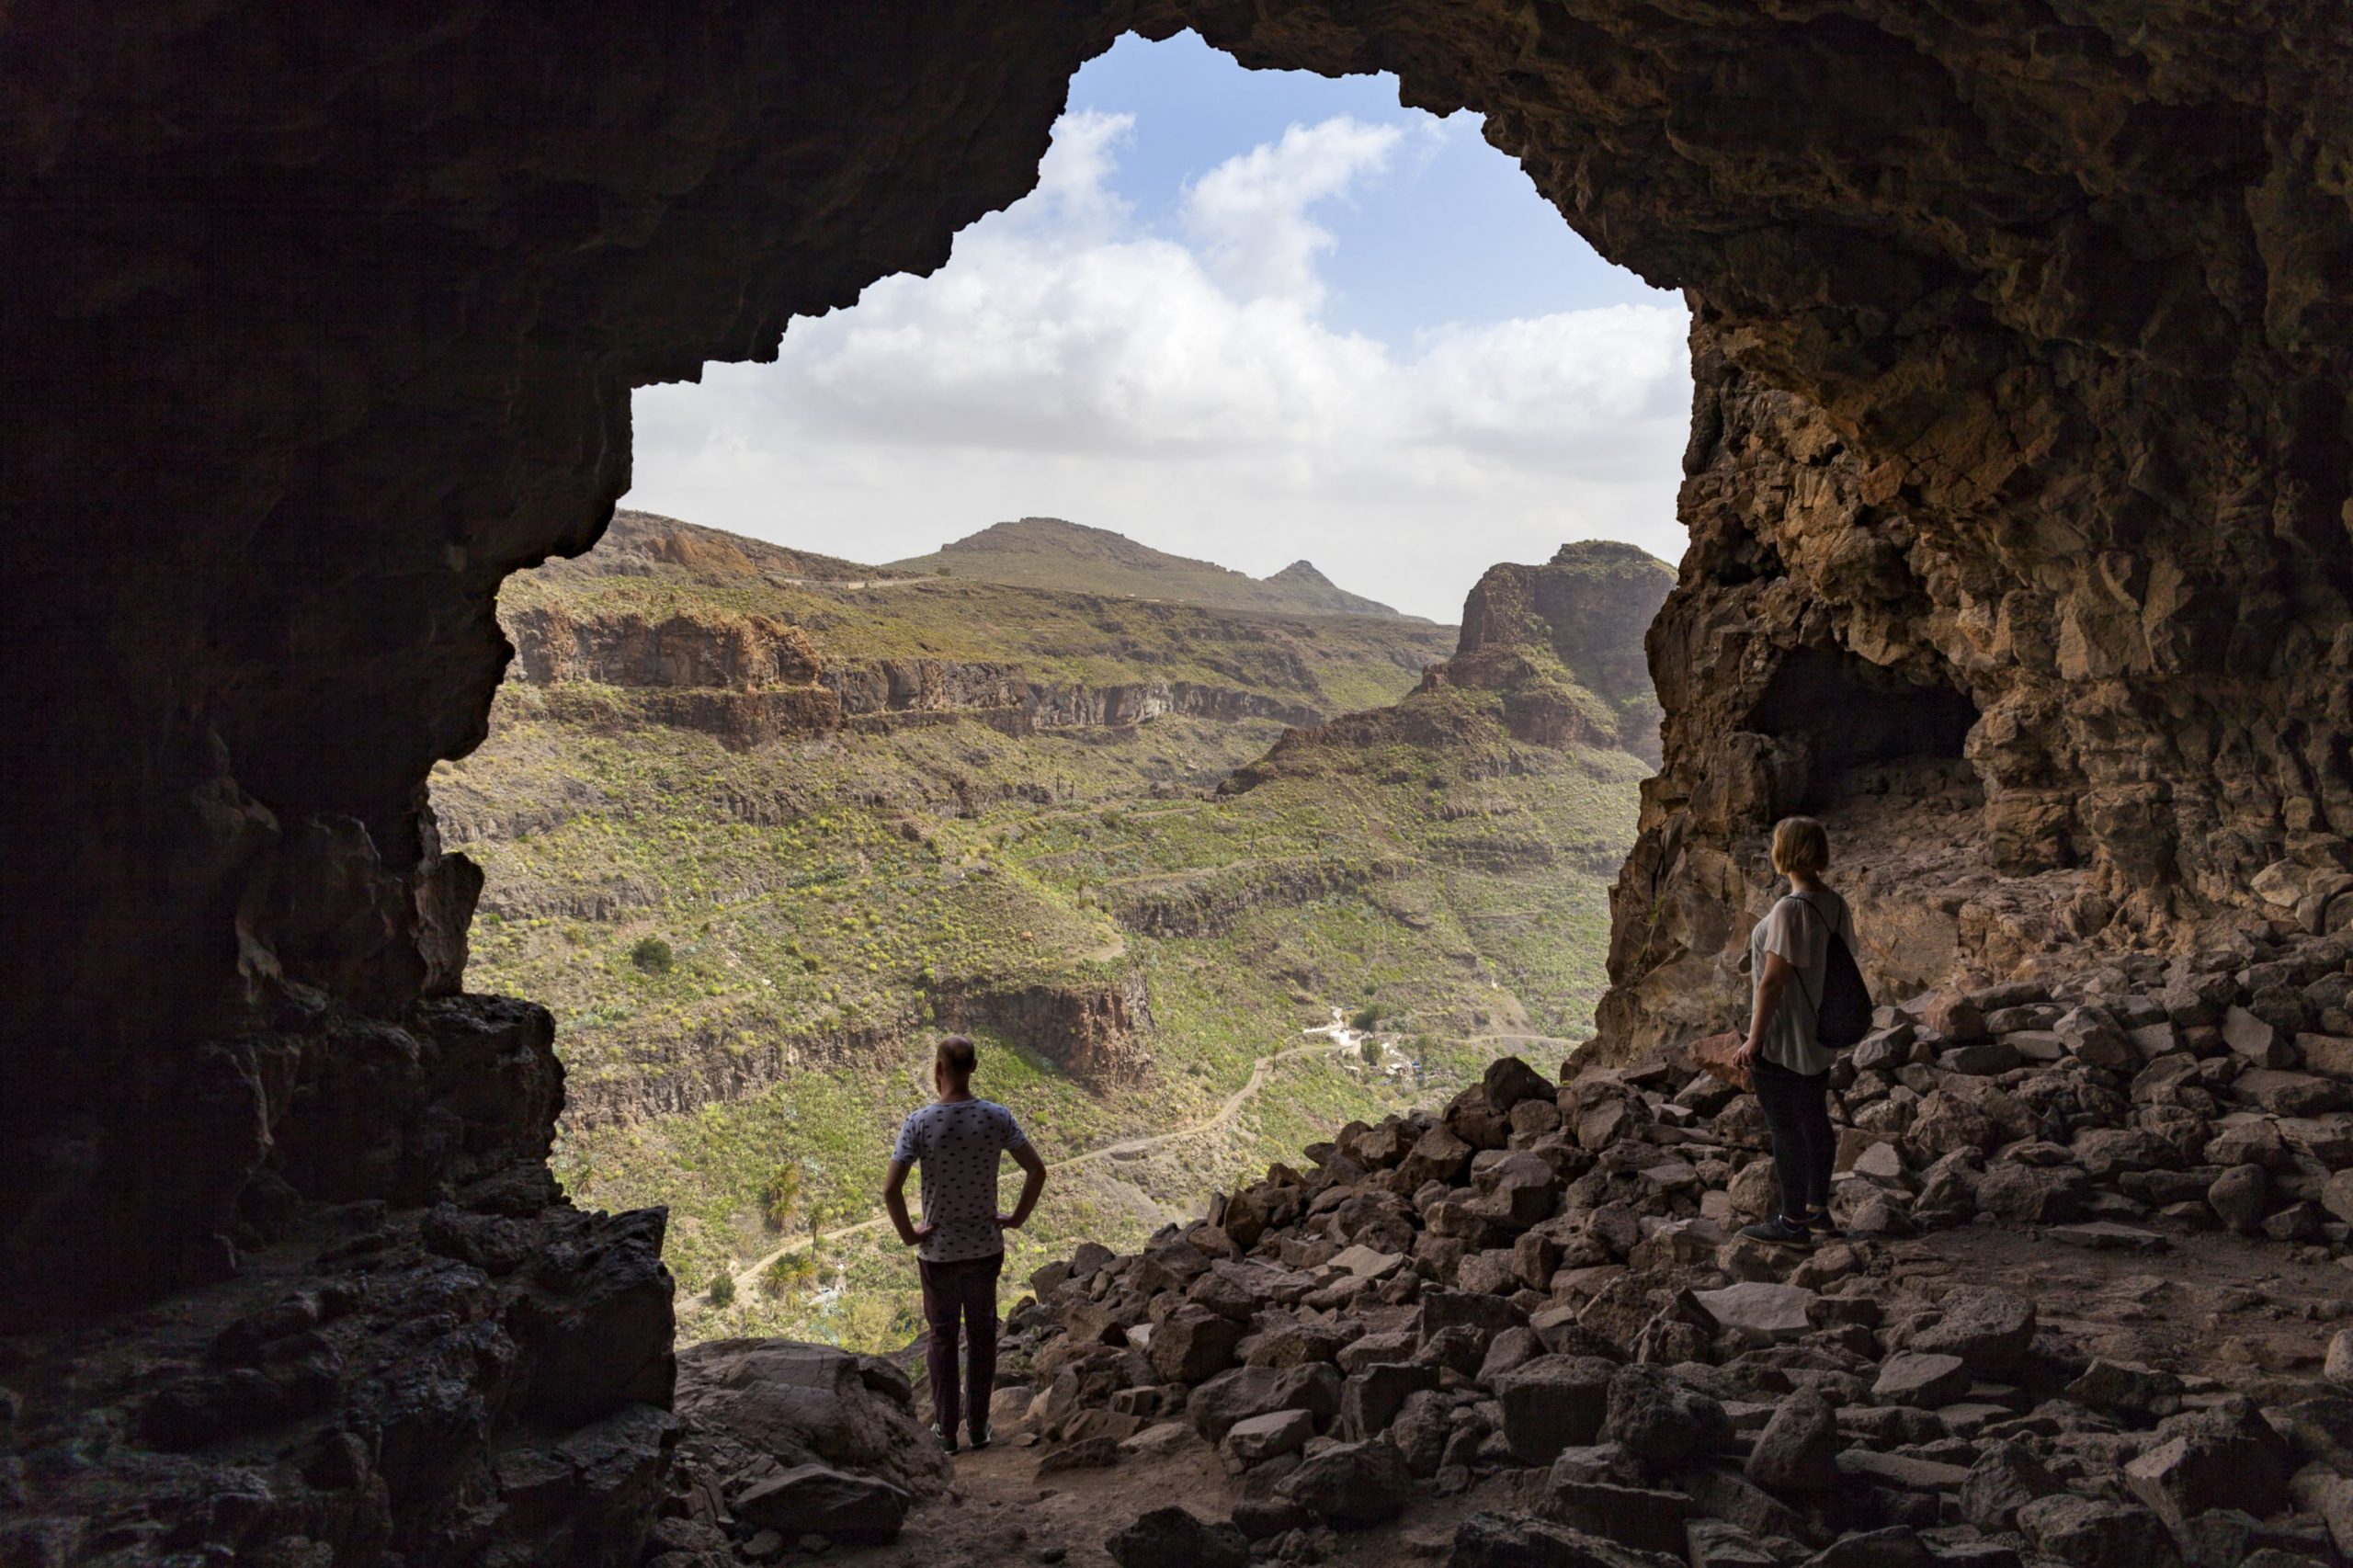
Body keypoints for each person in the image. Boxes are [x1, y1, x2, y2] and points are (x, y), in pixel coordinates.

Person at [882, 1034, 1048, 1453]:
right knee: (981, 1336)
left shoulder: (918, 1122)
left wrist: (908, 1234)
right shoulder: (996, 1117)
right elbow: (1036, 1171)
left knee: (941, 1337)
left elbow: (891, 1190)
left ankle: (946, 1432)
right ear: (974, 1068)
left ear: (938, 1070)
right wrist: (1017, 1218)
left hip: (937, 1252)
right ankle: (978, 1427)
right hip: (985, 1247)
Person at [1734, 816, 1857, 1247]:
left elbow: (1772, 980)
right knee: (1814, 1119)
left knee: (1784, 1127)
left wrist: (1754, 1038)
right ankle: (1817, 1211)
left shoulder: (1790, 908)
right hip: (1821, 1030)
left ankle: (1790, 1224)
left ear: (1785, 851)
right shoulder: (1836, 903)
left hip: (1786, 1035)